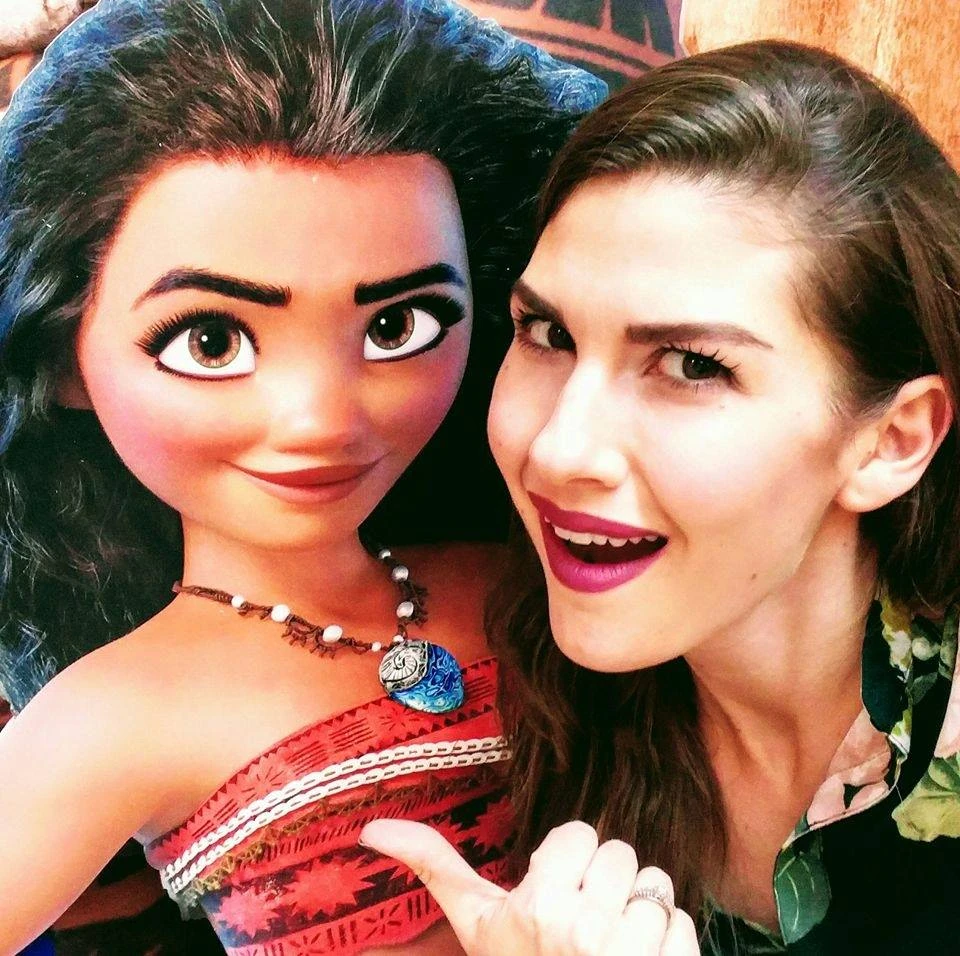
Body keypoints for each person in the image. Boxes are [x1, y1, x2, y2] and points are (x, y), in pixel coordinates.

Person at [0, 1, 604, 953]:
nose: (324, 420)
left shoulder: (525, 579)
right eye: (211, 340)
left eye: (398, 326)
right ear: (63, 358)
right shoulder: (111, 719)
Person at [360, 40, 960, 954]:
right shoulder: (540, 694)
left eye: (691, 366)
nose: (557, 448)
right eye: (548, 332)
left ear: (892, 440)